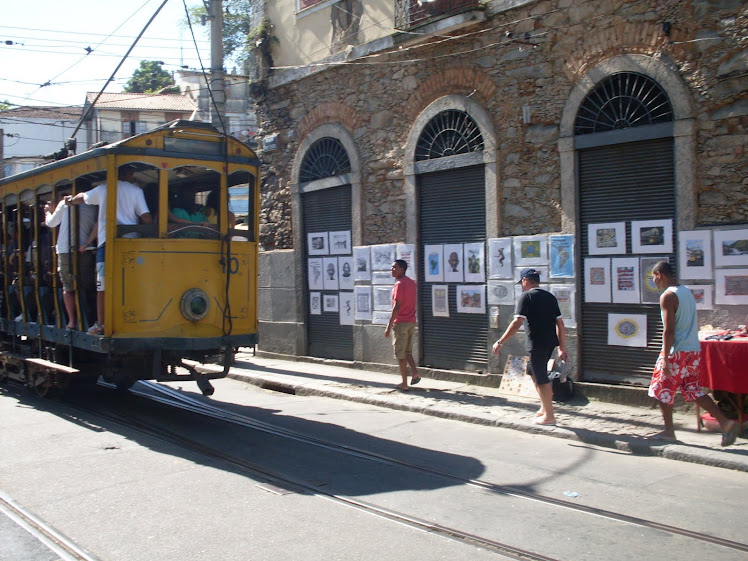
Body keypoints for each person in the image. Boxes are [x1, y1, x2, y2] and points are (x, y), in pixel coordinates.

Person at [648, 261, 737, 446]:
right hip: (692, 351)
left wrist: (665, 357)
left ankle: (669, 432)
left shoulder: (668, 296)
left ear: (659, 274)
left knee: (662, 390)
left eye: (653, 277)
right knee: (693, 389)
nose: (654, 282)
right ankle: (725, 422)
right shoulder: (686, 292)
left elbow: (669, 330)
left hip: (676, 351)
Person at [65, 166, 152, 335]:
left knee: (102, 286)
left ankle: (101, 324)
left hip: (106, 244)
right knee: (131, 284)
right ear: (127, 173)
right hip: (131, 245)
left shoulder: (103, 189)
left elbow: (83, 197)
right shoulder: (136, 190)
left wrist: (70, 201)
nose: (133, 175)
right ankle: (136, 320)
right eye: (131, 172)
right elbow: (145, 216)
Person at [493, 268, 567, 425]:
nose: (522, 286)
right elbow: (560, 324)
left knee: (541, 378)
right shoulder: (550, 297)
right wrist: (561, 347)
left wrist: (500, 342)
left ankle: (550, 416)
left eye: (522, 283)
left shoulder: (526, 296)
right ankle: (544, 407)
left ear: (526, 280)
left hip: (537, 344)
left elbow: (517, 322)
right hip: (549, 343)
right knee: (532, 371)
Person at [44, 197, 97, 329]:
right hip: (85, 249)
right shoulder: (94, 205)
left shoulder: (64, 203)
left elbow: (51, 223)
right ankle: (86, 320)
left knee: (68, 288)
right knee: (84, 286)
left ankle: (72, 321)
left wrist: (48, 212)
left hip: (65, 249)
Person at [384, 259, 420, 390]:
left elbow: (397, 306)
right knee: (407, 351)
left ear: (402, 270)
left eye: (394, 267)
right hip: (411, 321)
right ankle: (415, 373)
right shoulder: (411, 283)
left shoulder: (399, 284)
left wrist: (388, 326)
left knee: (400, 354)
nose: (392, 270)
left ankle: (404, 383)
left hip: (401, 323)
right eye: (391, 267)